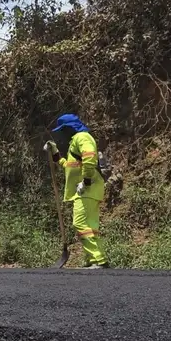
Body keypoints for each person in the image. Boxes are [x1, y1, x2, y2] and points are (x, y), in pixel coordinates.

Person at [44, 114, 109, 269]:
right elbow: (68, 165)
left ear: (70, 128)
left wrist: (85, 181)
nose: (62, 134)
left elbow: (90, 158)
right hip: (88, 190)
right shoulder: (76, 141)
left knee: (79, 223)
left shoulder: (82, 137)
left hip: (87, 189)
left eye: (63, 130)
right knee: (90, 227)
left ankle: (97, 260)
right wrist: (54, 152)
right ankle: (98, 260)